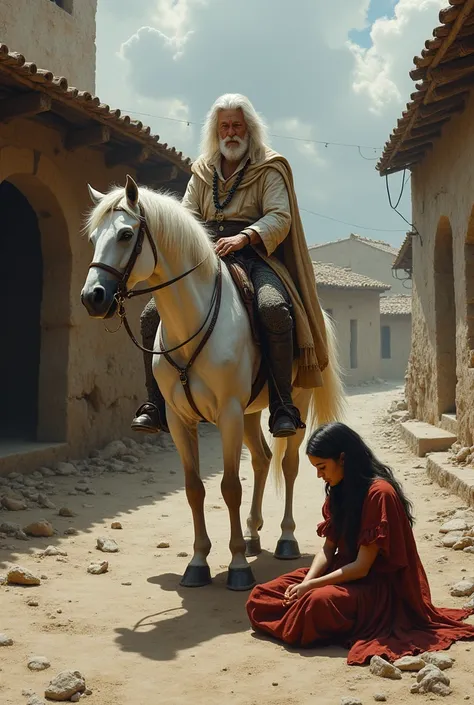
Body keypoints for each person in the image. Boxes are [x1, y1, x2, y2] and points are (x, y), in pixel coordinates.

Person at [131, 93, 329, 439]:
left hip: (254, 255)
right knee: (150, 315)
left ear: (249, 129)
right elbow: (187, 215)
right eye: (225, 126)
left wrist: (245, 237)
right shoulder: (202, 170)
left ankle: (283, 405)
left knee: (274, 308)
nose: (231, 132)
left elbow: (280, 216)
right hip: (205, 257)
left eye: (237, 125)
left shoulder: (269, 166)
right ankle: (155, 405)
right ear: (216, 130)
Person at [246, 423, 474, 664]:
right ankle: (307, 620)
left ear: (342, 458)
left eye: (322, 467)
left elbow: (362, 567)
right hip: (339, 573)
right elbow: (327, 549)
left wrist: (311, 588)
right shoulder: (338, 488)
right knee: (260, 596)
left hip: (373, 586)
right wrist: (306, 582)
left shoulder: (380, 494)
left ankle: (310, 620)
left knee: (315, 604)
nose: (319, 475)